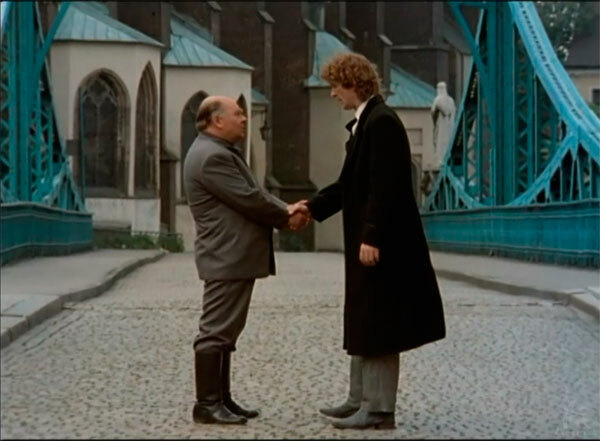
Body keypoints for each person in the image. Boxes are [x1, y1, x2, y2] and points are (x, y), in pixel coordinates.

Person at [297, 53, 446, 429]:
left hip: (382, 243)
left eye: (336, 86)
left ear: (354, 83)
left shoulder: (381, 123)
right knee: (364, 316)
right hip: (369, 239)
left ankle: (378, 409)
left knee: (379, 320)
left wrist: (372, 235)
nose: (333, 93)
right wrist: (311, 207)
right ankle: (358, 399)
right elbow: (349, 185)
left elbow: (386, 187)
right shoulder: (368, 122)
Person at [183, 95, 309, 425]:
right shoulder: (212, 157)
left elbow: (251, 193)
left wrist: (284, 209)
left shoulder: (216, 151)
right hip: (226, 254)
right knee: (215, 331)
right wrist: (286, 214)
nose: (244, 119)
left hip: (230, 255)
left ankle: (221, 399)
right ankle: (207, 404)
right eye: (237, 113)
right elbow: (248, 198)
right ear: (216, 120)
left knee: (226, 330)